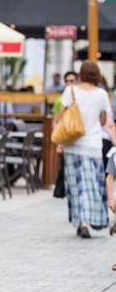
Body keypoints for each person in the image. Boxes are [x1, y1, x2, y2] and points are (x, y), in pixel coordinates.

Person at [60, 60, 109, 238]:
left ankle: (82, 221)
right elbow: (105, 122)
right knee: (91, 185)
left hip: (73, 145)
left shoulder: (70, 90)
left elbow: (60, 116)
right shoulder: (102, 94)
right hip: (94, 145)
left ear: (80, 73)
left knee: (76, 186)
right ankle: (87, 221)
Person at [52, 71, 78, 199]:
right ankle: (61, 190)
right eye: (67, 81)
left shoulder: (80, 96)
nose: (69, 84)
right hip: (66, 135)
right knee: (66, 163)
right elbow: (56, 119)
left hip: (77, 135)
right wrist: (58, 139)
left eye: (72, 81)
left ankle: (62, 190)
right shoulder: (60, 100)